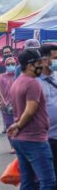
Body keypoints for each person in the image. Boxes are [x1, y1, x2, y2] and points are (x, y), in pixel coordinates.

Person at [8, 49, 56, 189]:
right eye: (39, 63)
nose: (42, 66)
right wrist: (18, 125)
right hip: (34, 139)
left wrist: (17, 126)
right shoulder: (32, 83)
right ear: (30, 66)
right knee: (48, 181)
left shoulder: (18, 82)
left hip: (21, 139)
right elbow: (30, 110)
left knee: (28, 181)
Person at [38, 44, 57, 181]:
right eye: (55, 57)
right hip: (43, 138)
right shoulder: (33, 81)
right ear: (44, 60)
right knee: (46, 176)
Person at [0, 56, 16, 153]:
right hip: (6, 105)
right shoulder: (1, 77)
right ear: (5, 66)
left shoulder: (19, 76)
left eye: (12, 64)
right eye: (8, 64)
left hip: (19, 105)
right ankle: (12, 146)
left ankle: (18, 145)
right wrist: (0, 102)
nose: (10, 66)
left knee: (19, 125)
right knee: (9, 126)